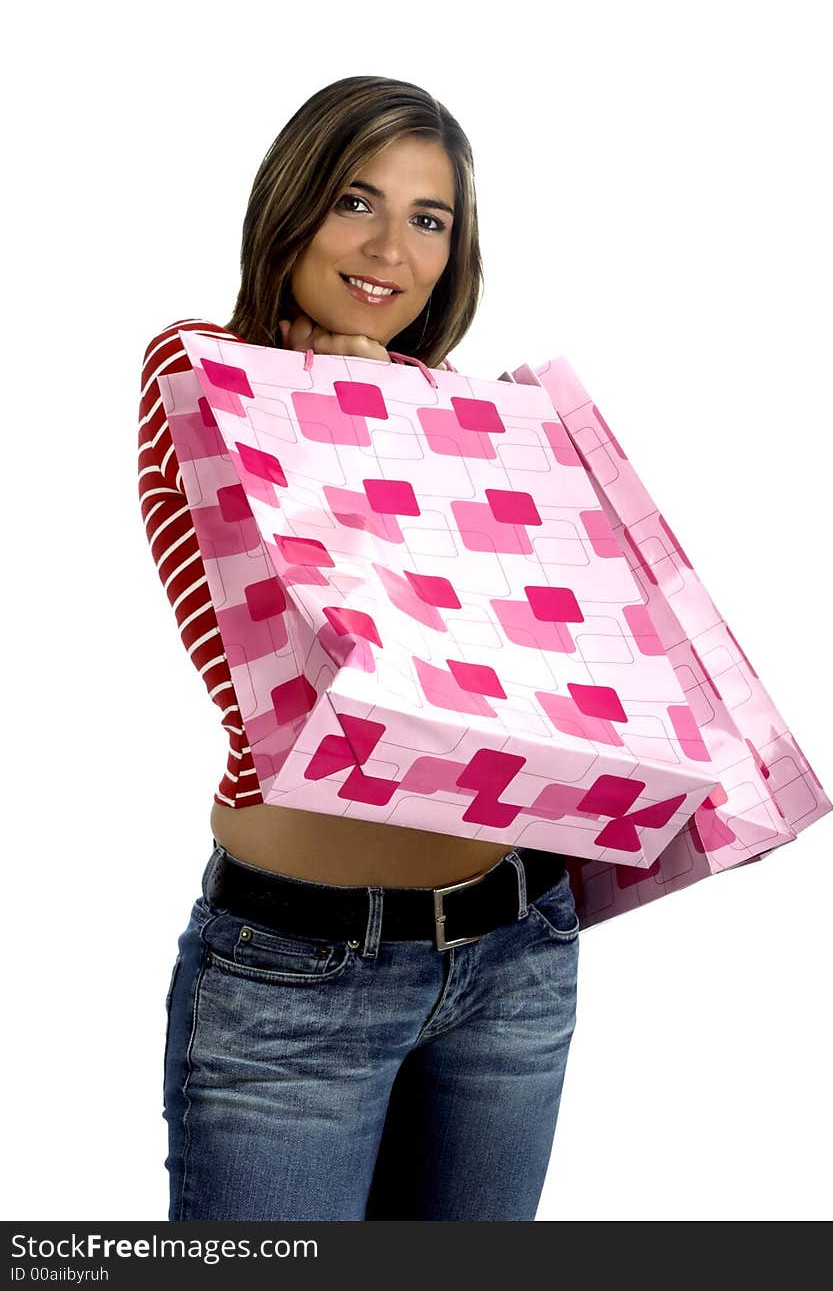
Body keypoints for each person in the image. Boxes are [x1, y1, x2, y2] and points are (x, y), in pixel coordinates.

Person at [139, 75, 580, 1222]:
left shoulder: (475, 423)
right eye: (354, 200)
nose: (390, 246)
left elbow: (534, 683)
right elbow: (316, 667)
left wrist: (402, 415)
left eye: (428, 219)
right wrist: (350, 411)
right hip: (296, 973)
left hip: (514, 949)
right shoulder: (197, 369)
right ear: (290, 206)